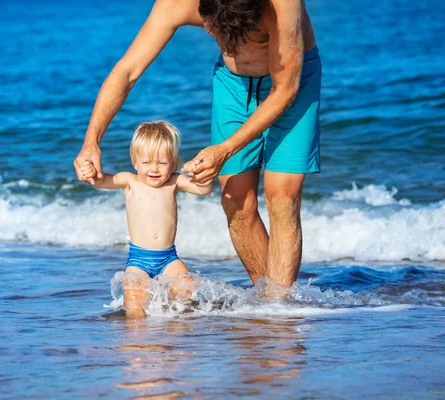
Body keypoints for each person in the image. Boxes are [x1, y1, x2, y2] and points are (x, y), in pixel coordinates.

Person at [74, 0, 321, 292]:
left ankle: (278, 305)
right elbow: (127, 71)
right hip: (234, 85)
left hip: (292, 82)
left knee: (283, 195)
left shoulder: (282, 5)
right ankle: (269, 300)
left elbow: (285, 90)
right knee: (235, 199)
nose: (213, 34)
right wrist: (92, 141)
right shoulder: (176, 3)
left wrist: (225, 149)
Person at [79, 121, 212, 318]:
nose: (154, 169)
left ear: (173, 163)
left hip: (169, 259)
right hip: (138, 260)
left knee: (187, 295)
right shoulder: (129, 181)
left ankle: (178, 338)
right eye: (147, 162)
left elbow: (204, 189)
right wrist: (90, 171)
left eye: (162, 163)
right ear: (135, 162)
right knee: (135, 307)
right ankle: (138, 342)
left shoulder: (174, 181)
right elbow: (100, 181)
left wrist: (199, 173)